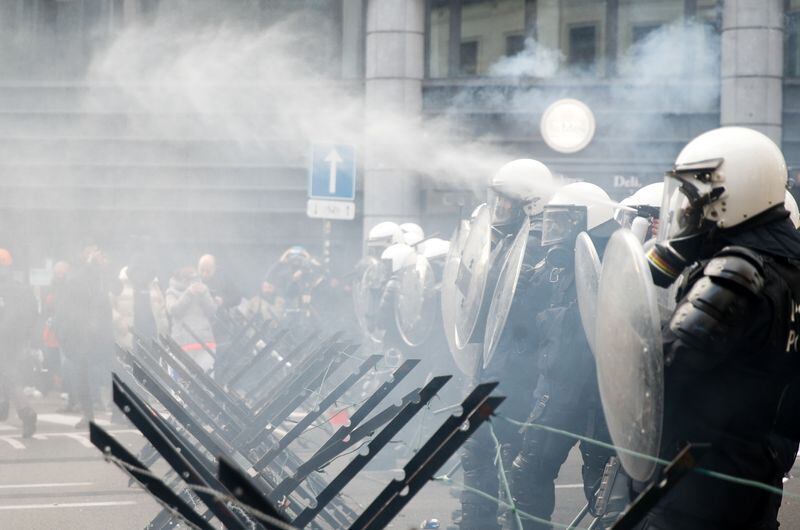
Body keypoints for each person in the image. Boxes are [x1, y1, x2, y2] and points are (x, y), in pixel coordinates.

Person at [637, 127, 800, 529]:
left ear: (730, 195)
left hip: (697, 476)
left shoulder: (738, 272)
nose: (686, 213)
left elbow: (663, 373)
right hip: (757, 465)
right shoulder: (788, 263)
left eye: (694, 199)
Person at [508, 182, 620, 530]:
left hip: (600, 402)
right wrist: (521, 294)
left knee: (606, 495)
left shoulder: (616, 265)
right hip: (554, 393)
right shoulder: (553, 268)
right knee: (526, 477)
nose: (553, 230)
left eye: (562, 221)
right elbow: (524, 330)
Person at [458, 159, 556, 530]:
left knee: (517, 468)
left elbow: (515, 309)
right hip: (495, 369)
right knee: (479, 452)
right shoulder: (509, 242)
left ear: (529, 204)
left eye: (506, 202)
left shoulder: (533, 246)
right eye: (496, 201)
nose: (499, 210)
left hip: (517, 376)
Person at [53, 243, 116, 429]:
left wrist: (102, 268)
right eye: (90, 253)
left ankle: (120, 411)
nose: (94, 257)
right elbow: (76, 289)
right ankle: (89, 414)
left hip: (100, 331)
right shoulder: (79, 276)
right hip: (82, 333)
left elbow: (114, 291)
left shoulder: (104, 276)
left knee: (109, 372)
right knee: (82, 374)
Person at [0, 249, 38, 437]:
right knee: (9, 376)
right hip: (17, 340)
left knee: (10, 378)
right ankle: (6, 406)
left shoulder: (8, 290)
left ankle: (25, 413)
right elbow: (33, 313)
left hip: (6, 340)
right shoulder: (22, 288)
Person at [165, 267, 217, 372]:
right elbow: (173, 310)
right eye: (188, 279)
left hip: (205, 343)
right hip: (182, 344)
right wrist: (188, 294)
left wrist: (203, 295)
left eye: (193, 279)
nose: (191, 282)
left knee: (205, 380)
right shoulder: (171, 292)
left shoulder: (203, 289)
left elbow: (212, 311)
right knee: (181, 382)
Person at [111, 261, 169, 350]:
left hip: (153, 341)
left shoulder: (155, 287)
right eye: (138, 271)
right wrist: (118, 321)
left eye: (144, 272)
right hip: (128, 342)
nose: (141, 276)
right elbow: (107, 307)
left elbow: (162, 314)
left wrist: (164, 337)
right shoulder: (119, 285)